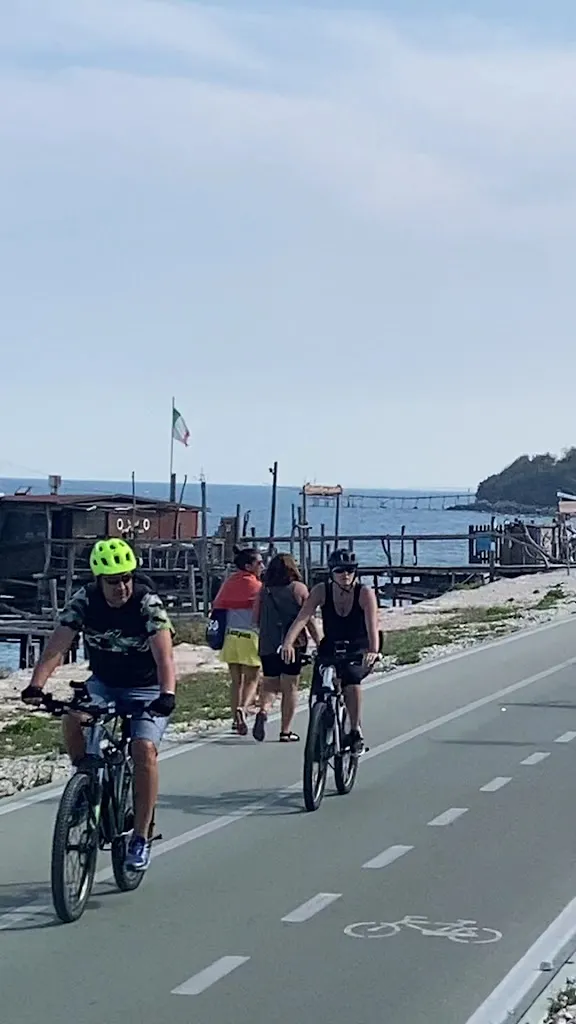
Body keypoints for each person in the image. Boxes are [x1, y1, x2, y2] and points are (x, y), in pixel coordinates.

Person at [20, 538, 176, 872]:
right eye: (112, 580)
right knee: (73, 717)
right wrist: (37, 684)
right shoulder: (85, 601)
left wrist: (166, 695)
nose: (121, 586)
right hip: (103, 683)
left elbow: (164, 657)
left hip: (145, 688)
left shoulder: (147, 603)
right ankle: (85, 780)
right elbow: (57, 647)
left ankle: (139, 836)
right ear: (97, 580)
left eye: (125, 577)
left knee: (143, 748)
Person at [281, 548, 379, 754]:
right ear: (331, 572)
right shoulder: (321, 590)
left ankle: (354, 731)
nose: (346, 574)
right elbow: (303, 617)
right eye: (340, 570)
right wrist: (288, 643)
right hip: (331, 644)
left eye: (350, 570)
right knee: (318, 692)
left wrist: (373, 650)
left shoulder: (364, 593)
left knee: (351, 679)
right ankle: (321, 723)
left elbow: (373, 625)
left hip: (359, 644)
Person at [252, 553, 321, 743]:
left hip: (267, 643)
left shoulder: (264, 590)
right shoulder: (298, 589)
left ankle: (264, 710)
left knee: (270, 684)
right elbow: (309, 619)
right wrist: (319, 641)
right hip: (293, 645)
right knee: (290, 687)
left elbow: (255, 619)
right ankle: (285, 730)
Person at [212, 546, 263, 735]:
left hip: (231, 635)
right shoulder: (257, 587)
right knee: (252, 678)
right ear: (249, 566)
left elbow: (217, 606)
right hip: (250, 636)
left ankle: (235, 718)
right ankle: (244, 707)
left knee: (236, 681)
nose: (262, 566)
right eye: (259, 563)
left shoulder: (230, 582)